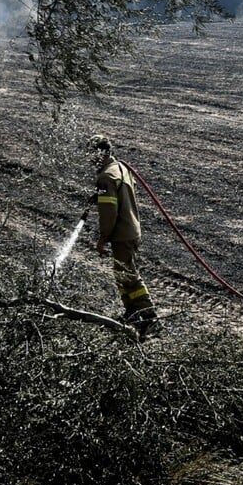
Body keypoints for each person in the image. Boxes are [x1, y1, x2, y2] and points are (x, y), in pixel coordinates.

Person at [86, 134, 162, 340]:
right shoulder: (120, 168)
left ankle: (150, 318)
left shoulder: (106, 177)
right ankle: (132, 313)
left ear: (100, 154)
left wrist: (102, 239)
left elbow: (109, 214)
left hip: (122, 234)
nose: (90, 159)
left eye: (91, 154)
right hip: (132, 230)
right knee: (122, 273)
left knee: (129, 275)